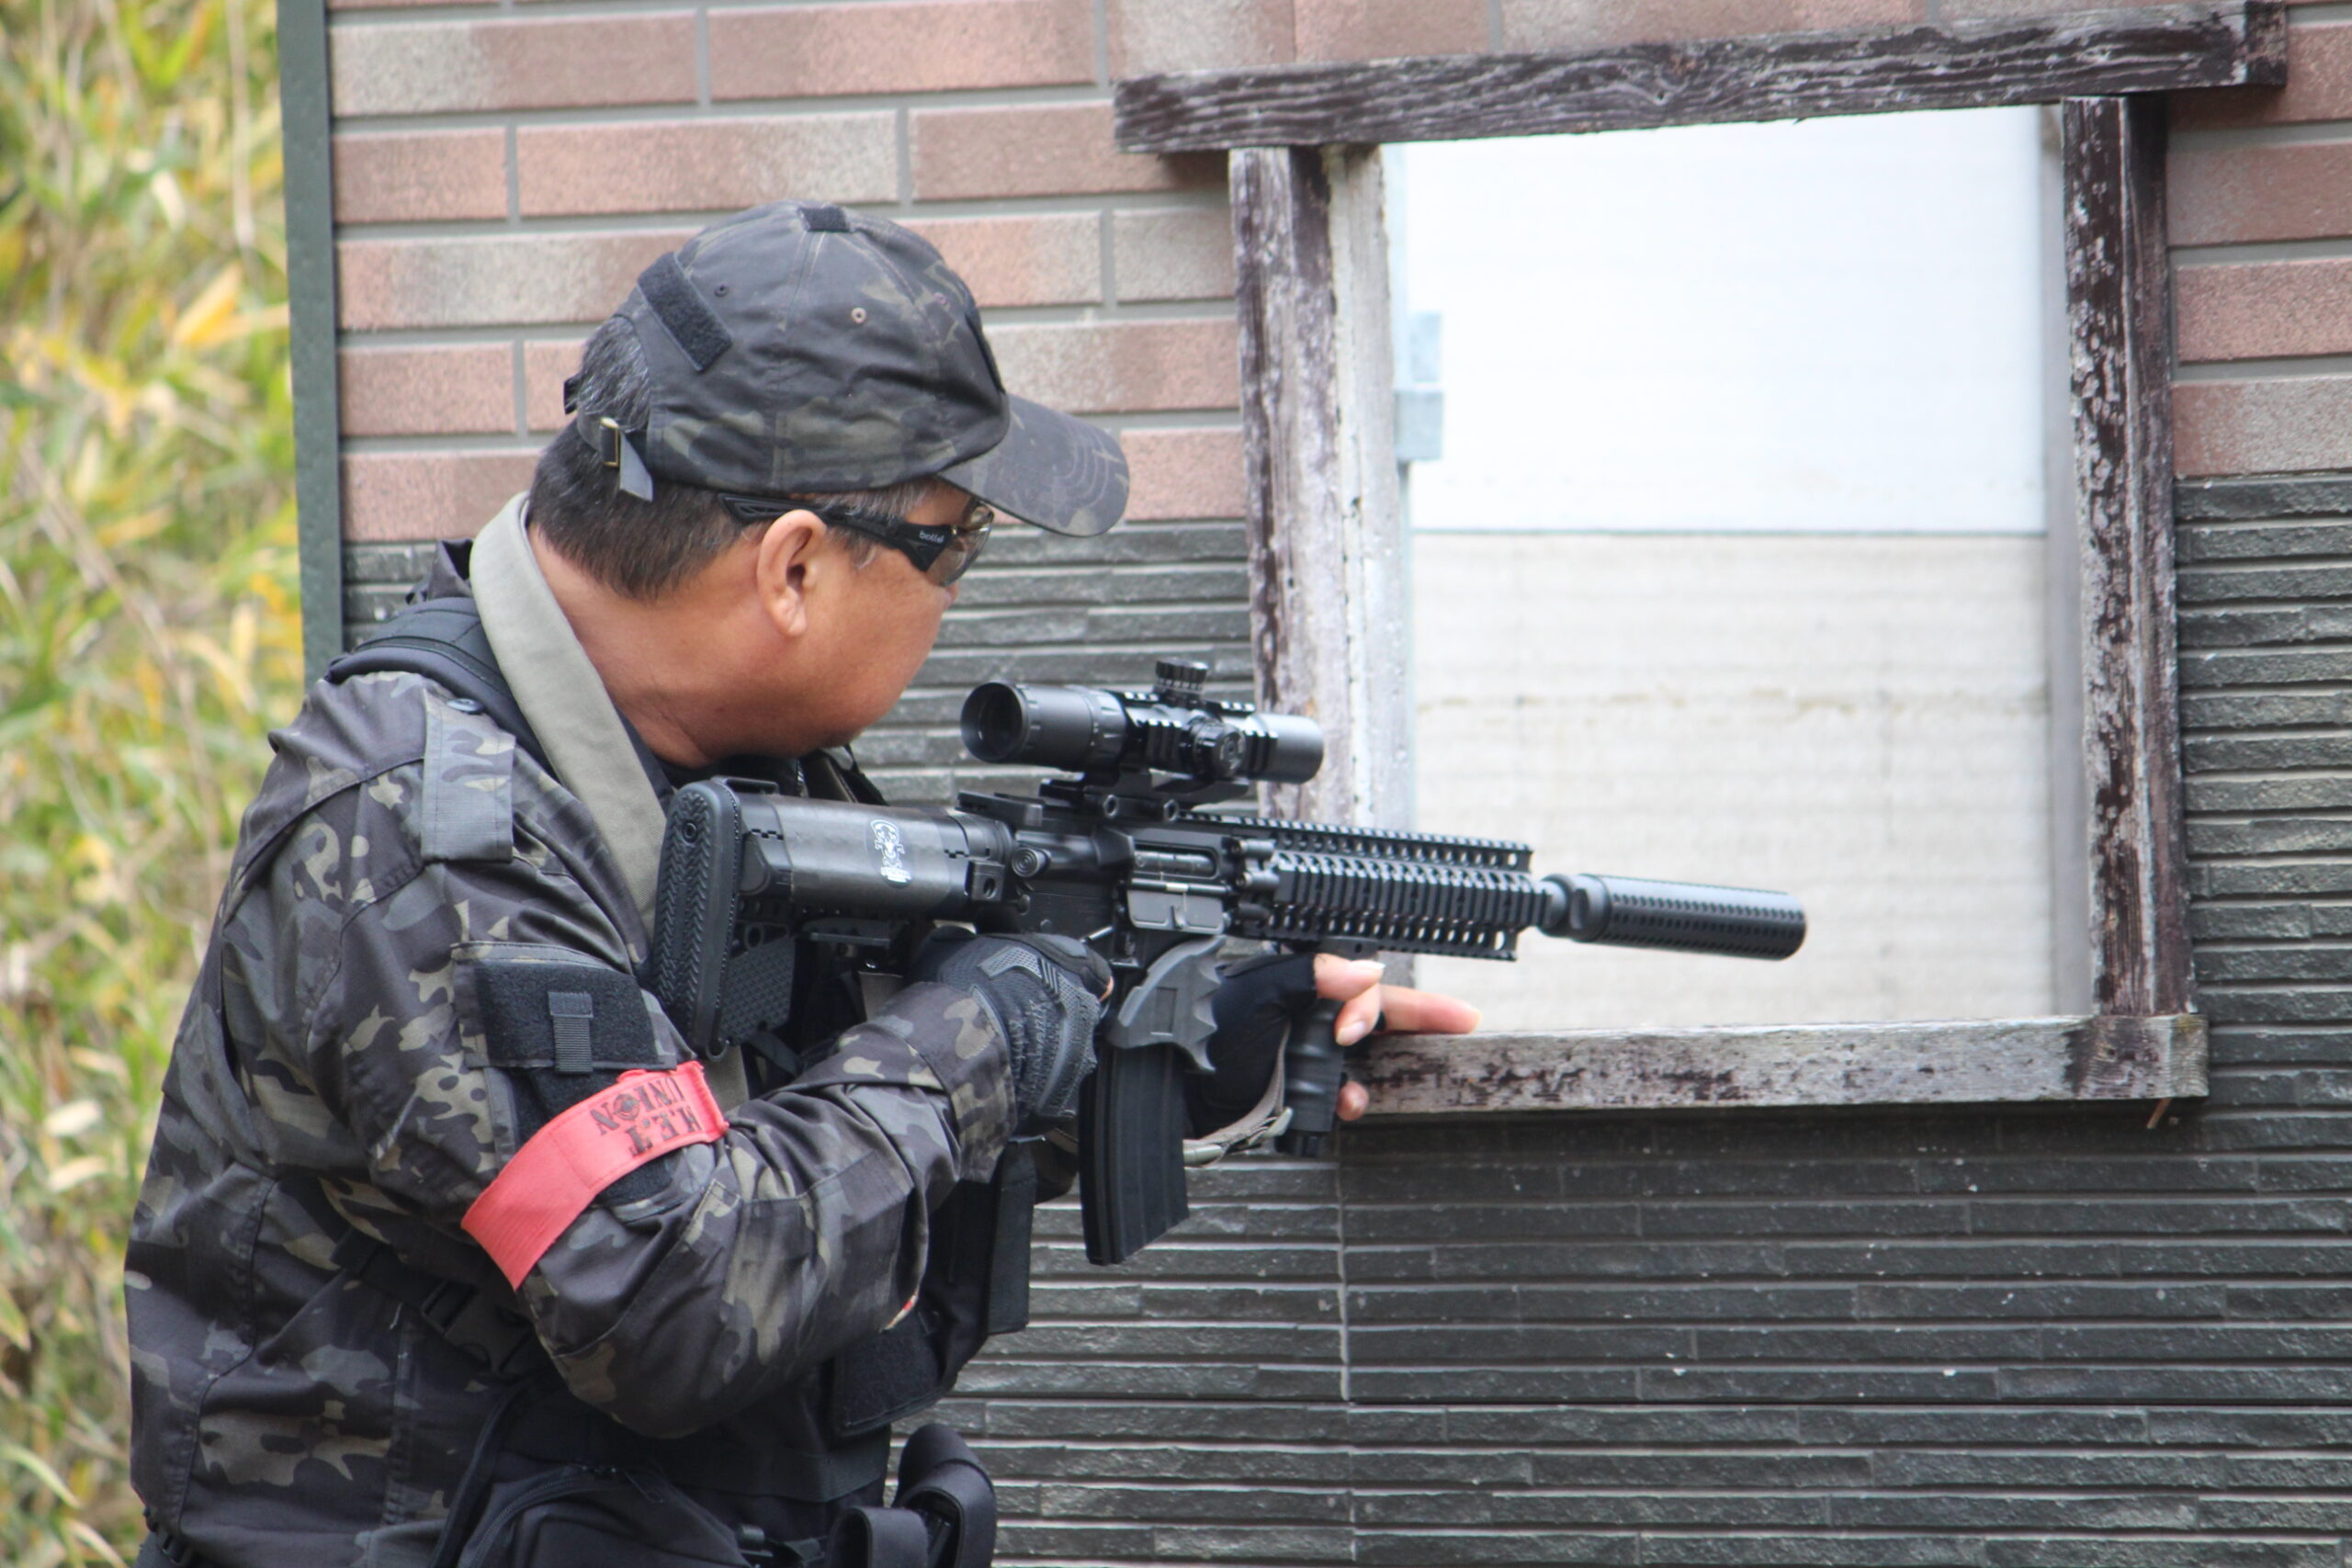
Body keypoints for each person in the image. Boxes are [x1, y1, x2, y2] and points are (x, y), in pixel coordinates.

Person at [125, 199, 1477, 1568]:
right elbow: (671, 1295)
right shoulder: (427, 827)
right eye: (957, 542)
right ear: (792, 567)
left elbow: (835, 1142)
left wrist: (1179, 1052)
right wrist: (984, 1033)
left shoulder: (734, 773)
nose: (958, 588)